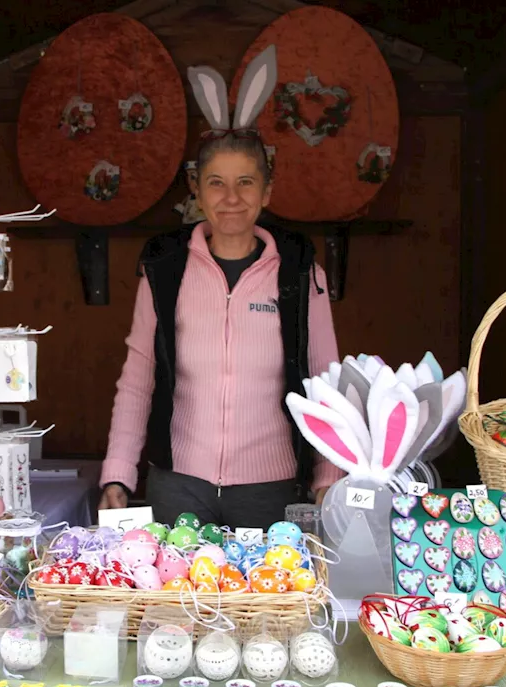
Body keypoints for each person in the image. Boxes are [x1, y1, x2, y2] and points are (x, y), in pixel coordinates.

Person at [97, 45, 343, 529]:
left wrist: (328, 473)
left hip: (271, 487)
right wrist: (118, 473)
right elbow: (138, 377)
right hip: (179, 482)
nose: (231, 199)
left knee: (265, 605)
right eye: (216, 183)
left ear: (267, 191)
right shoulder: (165, 269)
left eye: (246, 183)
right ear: (197, 189)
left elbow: (325, 376)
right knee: (178, 598)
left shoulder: (298, 269)